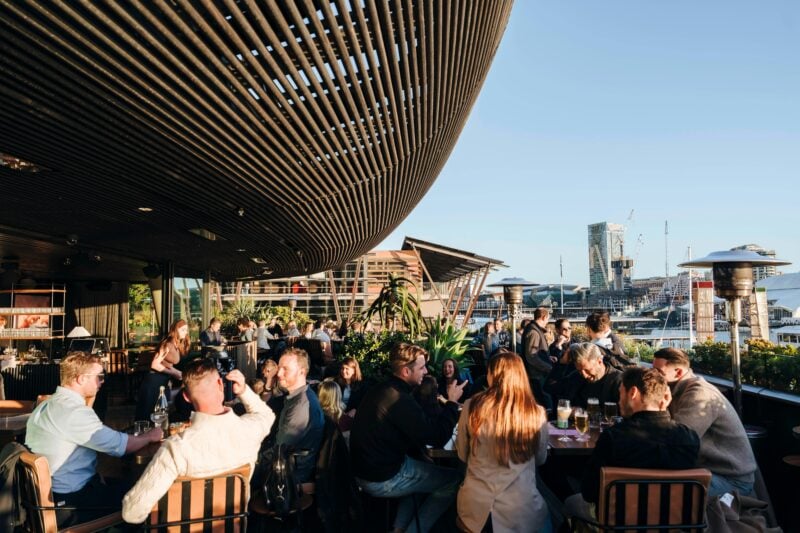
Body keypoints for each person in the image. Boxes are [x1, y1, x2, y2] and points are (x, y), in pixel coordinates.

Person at [121, 360, 275, 524]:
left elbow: (132, 513)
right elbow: (266, 415)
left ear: (186, 397)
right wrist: (243, 391)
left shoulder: (176, 448)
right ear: (220, 384)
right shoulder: (250, 430)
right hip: (235, 527)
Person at [26, 352, 163, 527]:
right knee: (145, 495)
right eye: (99, 376)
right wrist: (151, 436)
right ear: (81, 379)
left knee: (128, 485)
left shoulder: (46, 404)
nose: (102, 381)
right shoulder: (74, 412)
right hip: (71, 505)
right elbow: (122, 446)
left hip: (47, 498)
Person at [350, 343, 465, 533]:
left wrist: (421, 454)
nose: (426, 371)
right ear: (405, 371)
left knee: (426, 471)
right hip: (380, 477)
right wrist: (452, 403)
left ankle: (399, 529)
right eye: (422, 367)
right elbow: (436, 437)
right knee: (454, 480)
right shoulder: (398, 399)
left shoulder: (383, 389)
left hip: (366, 470)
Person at [565, 367, 700, 522]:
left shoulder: (614, 437)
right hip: (671, 520)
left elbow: (589, 493)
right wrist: (663, 410)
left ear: (633, 393)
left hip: (621, 520)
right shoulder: (690, 438)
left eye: (621, 393)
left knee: (570, 503)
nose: (619, 400)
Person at [456, 351, 551, 533]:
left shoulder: (471, 406)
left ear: (492, 375)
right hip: (521, 508)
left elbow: (462, 454)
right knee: (547, 517)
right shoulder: (536, 412)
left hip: (475, 507)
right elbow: (540, 459)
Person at [652, 347, 757, 497]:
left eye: (659, 372)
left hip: (730, 479)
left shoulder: (698, 393)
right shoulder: (675, 389)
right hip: (706, 470)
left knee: (659, 494)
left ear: (678, 372)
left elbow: (677, 441)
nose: (653, 376)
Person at [273, 347, 325, 483]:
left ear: (302, 372)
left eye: (285, 369)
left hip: (290, 477)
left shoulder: (301, 406)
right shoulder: (296, 397)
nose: (279, 373)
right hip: (286, 466)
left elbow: (279, 450)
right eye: (279, 368)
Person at [135, 319, 189, 421]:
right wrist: (174, 373)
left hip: (162, 381)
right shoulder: (168, 343)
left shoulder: (176, 343)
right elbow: (155, 364)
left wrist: (176, 372)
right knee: (147, 414)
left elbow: (166, 364)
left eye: (186, 330)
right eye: (183, 330)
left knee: (158, 413)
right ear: (175, 330)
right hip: (154, 381)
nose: (185, 332)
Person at [545, 342, 622, 408]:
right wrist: (562, 364)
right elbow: (550, 388)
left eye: (587, 370)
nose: (584, 375)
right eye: (579, 370)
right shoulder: (577, 377)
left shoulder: (618, 381)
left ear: (599, 362)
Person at [523, 307, 554, 409]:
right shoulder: (534, 332)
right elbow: (531, 356)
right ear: (544, 317)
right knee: (544, 402)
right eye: (548, 318)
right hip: (536, 375)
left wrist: (547, 357)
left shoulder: (532, 329)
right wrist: (548, 367)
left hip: (536, 373)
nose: (547, 322)